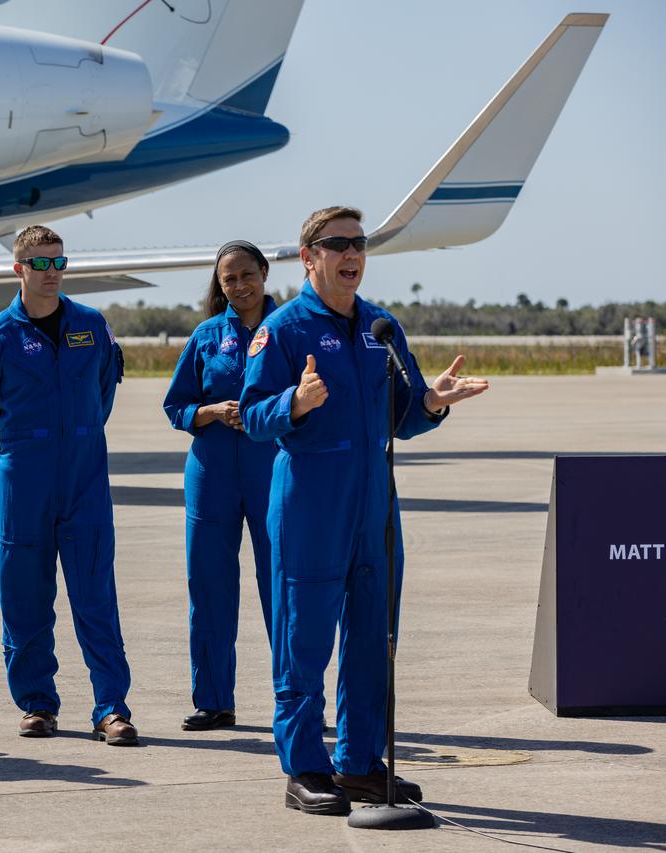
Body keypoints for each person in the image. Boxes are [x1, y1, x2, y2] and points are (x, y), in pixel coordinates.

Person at [239, 206, 488, 815]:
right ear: (309, 257)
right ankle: (304, 768)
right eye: (338, 244)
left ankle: (357, 764)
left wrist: (431, 402)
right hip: (310, 505)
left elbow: (401, 415)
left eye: (360, 243)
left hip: (374, 505)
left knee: (374, 639)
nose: (352, 253)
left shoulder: (382, 328)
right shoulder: (285, 329)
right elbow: (251, 415)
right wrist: (293, 405)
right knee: (304, 641)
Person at [0, 225, 138, 746]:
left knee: (96, 596)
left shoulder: (91, 325)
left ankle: (111, 708)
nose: (51, 273)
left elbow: (103, 393)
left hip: (84, 475)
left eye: (58, 262)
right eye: (39, 264)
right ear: (18, 269)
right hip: (23, 477)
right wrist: (26, 448)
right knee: (24, 597)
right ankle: (37, 704)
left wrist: (77, 437)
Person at [162, 241, 279, 732]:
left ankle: (297, 701)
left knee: (284, 588)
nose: (239, 286)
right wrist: (210, 412)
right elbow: (176, 406)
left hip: (274, 469)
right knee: (209, 586)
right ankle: (214, 700)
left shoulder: (290, 330)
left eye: (247, 275)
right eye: (229, 280)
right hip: (211, 473)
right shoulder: (208, 335)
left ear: (265, 273)